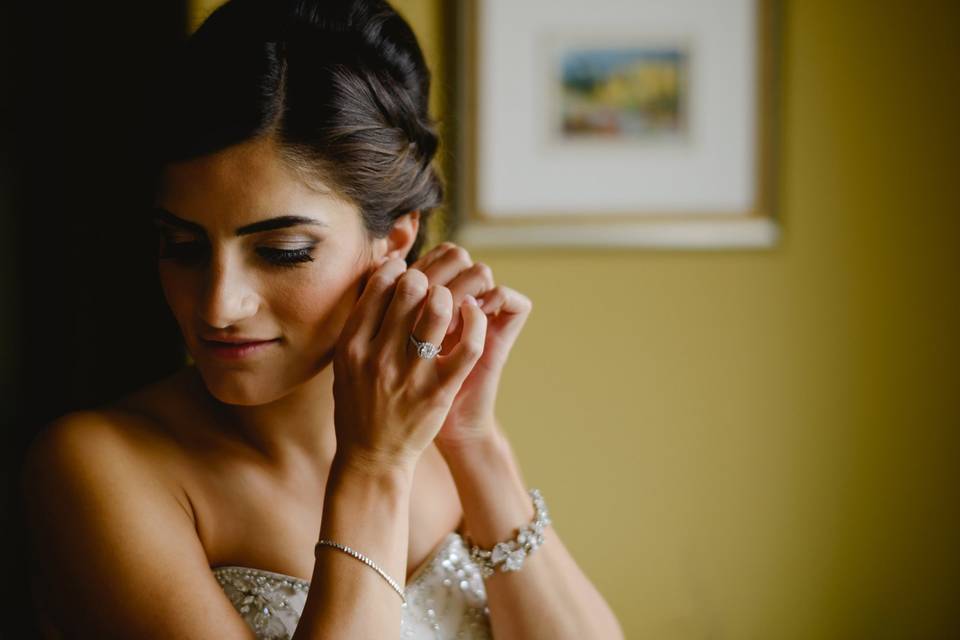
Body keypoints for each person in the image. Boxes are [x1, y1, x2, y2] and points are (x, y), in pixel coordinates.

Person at [20, 0, 624, 637]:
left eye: (282, 253)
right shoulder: (98, 467)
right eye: (184, 246)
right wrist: (373, 468)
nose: (218, 306)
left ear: (394, 240)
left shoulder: (441, 443)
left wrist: (476, 443)